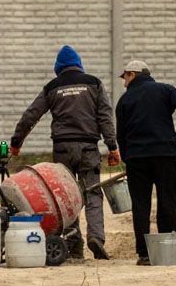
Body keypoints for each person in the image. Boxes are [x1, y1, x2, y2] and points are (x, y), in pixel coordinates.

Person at [10, 45, 119, 260]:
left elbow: (31, 115)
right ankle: (96, 237)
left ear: (58, 68)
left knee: (66, 196)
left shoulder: (52, 87)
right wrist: (112, 146)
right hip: (88, 147)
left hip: (62, 148)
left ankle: (73, 244)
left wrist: (16, 142)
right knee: (92, 191)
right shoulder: (94, 83)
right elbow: (105, 117)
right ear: (79, 64)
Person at [114, 59, 176, 265]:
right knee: (168, 201)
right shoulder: (165, 90)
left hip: (137, 159)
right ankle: (167, 250)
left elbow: (121, 134)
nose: (124, 83)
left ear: (133, 74)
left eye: (125, 78)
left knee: (140, 205)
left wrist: (127, 157)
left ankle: (144, 254)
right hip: (165, 155)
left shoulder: (124, 101)